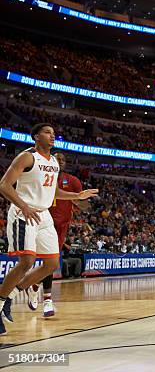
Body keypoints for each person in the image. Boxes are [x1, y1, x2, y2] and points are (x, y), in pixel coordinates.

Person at [0, 124, 98, 335]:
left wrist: (76, 196)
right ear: (36, 136)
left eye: (54, 133)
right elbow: (4, 185)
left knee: (52, 263)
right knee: (26, 261)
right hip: (24, 212)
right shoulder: (27, 157)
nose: (52, 136)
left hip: (43, 214)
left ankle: (9, 297)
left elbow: (53, 191)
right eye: (47, 132)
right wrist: (23, 206)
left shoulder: (53, 161)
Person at [24, 152, 87, 318]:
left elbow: (83, 205)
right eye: (57, 158)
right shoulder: (41, 175)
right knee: (45, 262)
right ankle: (45, 298)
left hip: (60, 227)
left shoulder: (72, 181)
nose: (60, 161)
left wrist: (83, 199)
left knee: (51, 262)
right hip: (39, 220)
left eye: (63, 160)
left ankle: (37, 286)